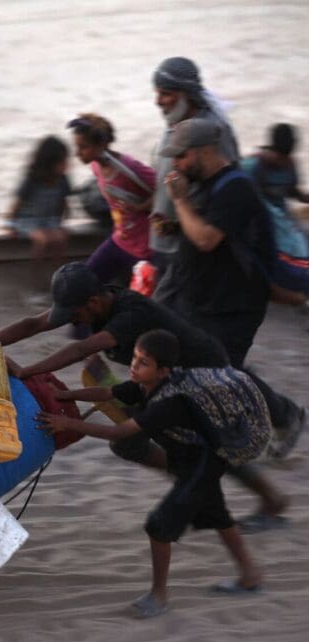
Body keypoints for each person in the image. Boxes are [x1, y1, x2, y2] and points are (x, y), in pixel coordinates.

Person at [0, 261, 289, 526]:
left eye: (74, 314)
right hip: (161, 378)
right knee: (130, 445)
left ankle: (268, 498)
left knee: (202, 446)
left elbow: (81, 348)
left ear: (93, 302)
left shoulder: (131, 314)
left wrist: (27, 371)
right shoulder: (92, 302)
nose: (71, 320)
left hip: (200, 374)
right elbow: (33, 323)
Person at [39, 330, 264, 618]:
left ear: (163, 371)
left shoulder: (169, 403)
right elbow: (108, 393)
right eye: (134, 358)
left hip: (201, 462)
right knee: (216, 513)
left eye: (143, 363)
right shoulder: (145, 385)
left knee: (159, 526)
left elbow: (121, 432)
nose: (134, 366)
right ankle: (250, 575)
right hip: (191, 456)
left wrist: (67, 424)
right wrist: (65, 394)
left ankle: (158, 596)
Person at [162, 117, 305, 458]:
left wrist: (180, 203)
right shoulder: (206, 184)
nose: (176, 165)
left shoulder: (236, 187)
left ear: (204, 151)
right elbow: (202, 230)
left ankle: (284, 416)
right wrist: (173, 223)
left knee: (223, 371)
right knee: (215, 368)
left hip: (236, 302)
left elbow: (208, 238)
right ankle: (271, 418)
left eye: (181, 156)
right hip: (204, 296)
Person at [148, 56, 241, 307]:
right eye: (157, 93)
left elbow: (230, 187)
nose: (158, 101)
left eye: (165, 94)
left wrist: (182, 220)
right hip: (166, 242)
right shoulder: (174, 121)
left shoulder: (212, 130)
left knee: (170, 318)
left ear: (187, 94)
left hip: (191, 244)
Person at [67, 113, 155, 284]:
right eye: (76, 147)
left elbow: (165, 188)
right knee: (82, 285)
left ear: (101, 145)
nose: (77, 153)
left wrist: (141, 206)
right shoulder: (96, 166)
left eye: (83, 147)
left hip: (144, 250)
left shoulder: (128, 168)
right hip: (119, 240)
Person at [242, 123, 309, 304]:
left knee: (302, 248)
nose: (283, 162)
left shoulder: (290, 164)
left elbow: (292, 191)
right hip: (259, 219)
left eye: (287, 157)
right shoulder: (252, 166)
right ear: (272, 150)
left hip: (282, 218)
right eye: (280, 157)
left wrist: (304, 197)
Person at [7, 135, 71, 303]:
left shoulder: (63, 180)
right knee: (42, 240)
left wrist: (60, 223)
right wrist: (10, 225)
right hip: (27, 221)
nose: (67, 165)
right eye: (62, 162)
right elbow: (15, 206)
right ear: (49, 163)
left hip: (50, 220)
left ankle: (57, 285)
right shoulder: (32, 179)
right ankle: (35, 287)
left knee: (60, 238)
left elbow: (63, 203)